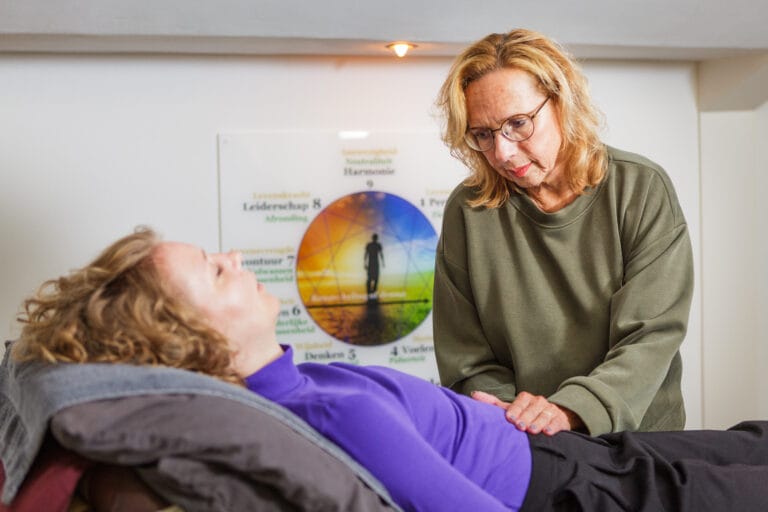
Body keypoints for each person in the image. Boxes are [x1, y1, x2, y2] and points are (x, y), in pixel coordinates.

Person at [11, 228, 768, 511]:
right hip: (572, 490)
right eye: (214, 272)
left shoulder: (294, 388)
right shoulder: (329, 417)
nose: (234, 259)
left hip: (560, 453)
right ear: (192, 339)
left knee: (752, 438)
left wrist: (478, 415)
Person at [432, 28, 694, 437]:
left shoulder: (639, 189)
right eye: (482, 134)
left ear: (562, 102)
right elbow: (467, 358)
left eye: (518, 123)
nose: (502, 152)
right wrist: (512, 415)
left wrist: (569, 411)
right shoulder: (468, 210)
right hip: (526, 439)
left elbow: (650, 337)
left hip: (640, 441)